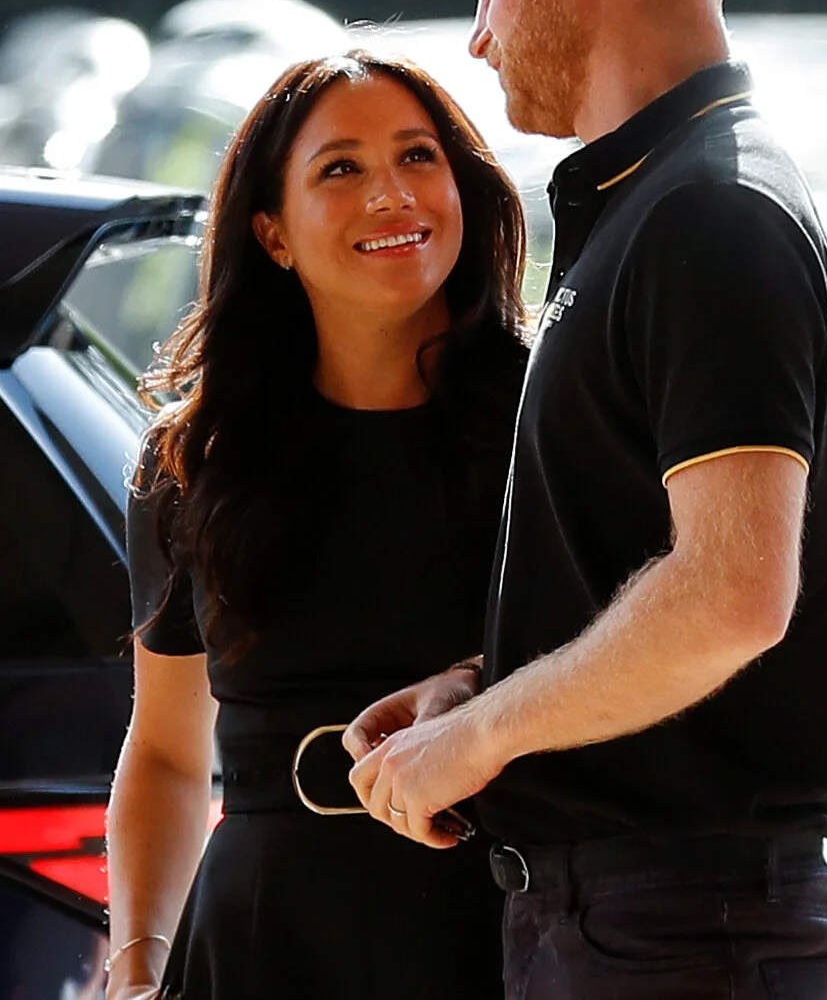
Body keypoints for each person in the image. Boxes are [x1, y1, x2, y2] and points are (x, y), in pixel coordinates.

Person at [344, 0, 827, 1000]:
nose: (477, 35)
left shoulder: (709, 209)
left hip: (682, 930)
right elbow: (645, 568)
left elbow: (730, 595)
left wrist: (478, 739)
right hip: (638, 924)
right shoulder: (658, 200)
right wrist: (483, 688)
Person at [105, 51, 527, 999]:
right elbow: (167, 752)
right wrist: (136, 971)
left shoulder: (552, 424)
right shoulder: (197, 459)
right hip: (261, 944)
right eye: (342, 168)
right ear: (273, 234)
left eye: (418, 156)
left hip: (502, 933)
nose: (391, 193)